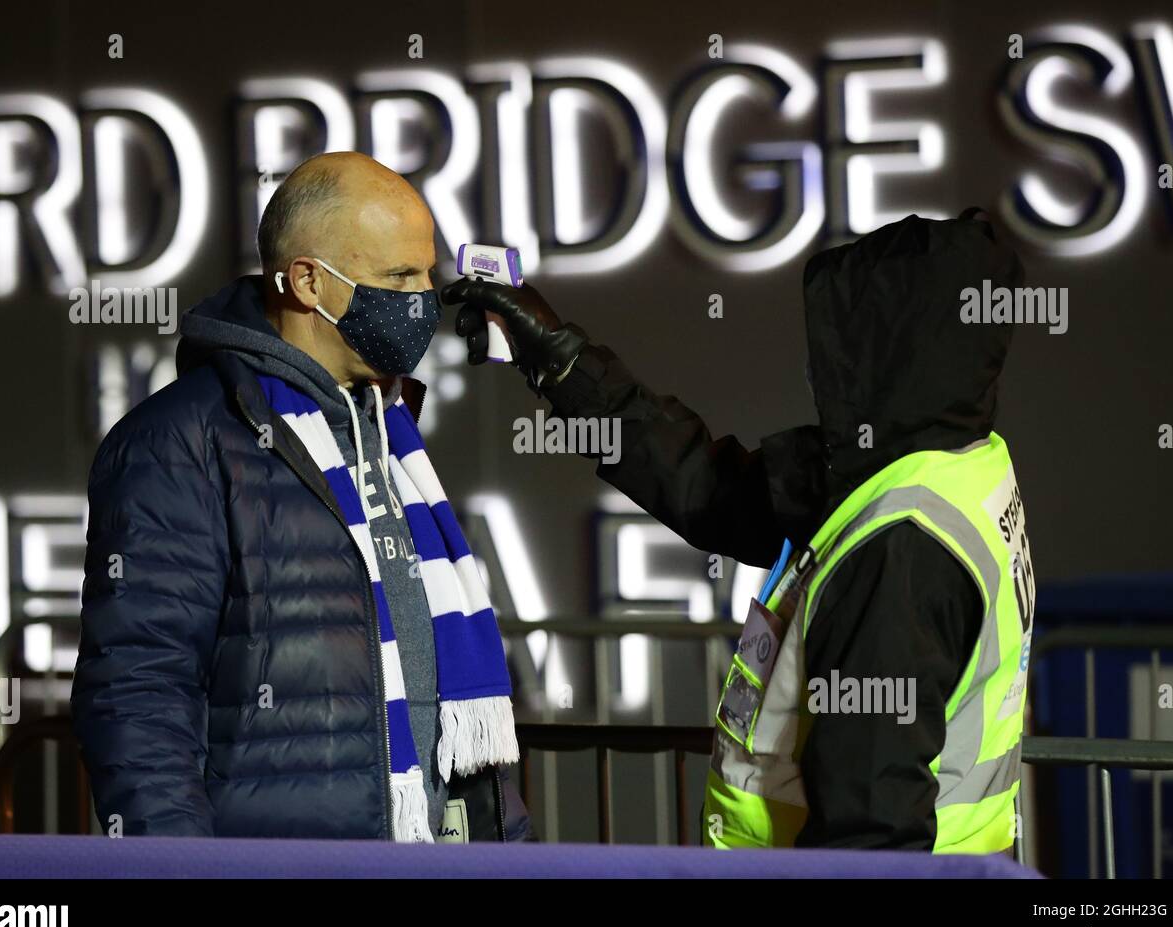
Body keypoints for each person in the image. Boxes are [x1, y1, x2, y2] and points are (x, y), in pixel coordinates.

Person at [442, 211, 1034, 852]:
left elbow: (873, 835)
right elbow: (707, 485)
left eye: (843, 342)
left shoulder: (901, 545)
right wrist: (558, 359)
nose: (818, 367)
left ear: (890, 352)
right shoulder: (949, 463)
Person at [71, 152, 528, 842]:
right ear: (310, 281)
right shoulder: (181, 440)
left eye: (427, 272)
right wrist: (177, 870)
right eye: (399, 277)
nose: (425, 298)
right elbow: (139, 690)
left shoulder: (387, 430)